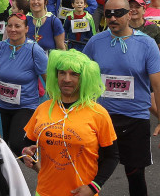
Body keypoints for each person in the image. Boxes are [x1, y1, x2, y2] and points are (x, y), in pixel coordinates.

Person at [82, 0, 160, 196]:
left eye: (118, 13)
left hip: (135, 119)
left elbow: (159, 86)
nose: (113, 18)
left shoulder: (147, 44)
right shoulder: (96, 41)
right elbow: (81, 76)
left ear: (130, 14)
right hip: (101, 118)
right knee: (90, 174)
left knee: (135, 175)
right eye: (108, 14)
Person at [21, 50, 119, 196]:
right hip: (44, 192)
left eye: (74, 74)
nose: (67, 79)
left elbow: (112, 156)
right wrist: (26, 154)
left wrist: (93, 187)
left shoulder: (98, 113)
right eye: (62, 73)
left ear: (85, 78)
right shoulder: (43, 108)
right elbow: (27, 144)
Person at [0, 12, 47, 154]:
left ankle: (42, 172)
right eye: (10, 26)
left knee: (18, 144)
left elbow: (48, 79)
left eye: (17, 26)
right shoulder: (0, 47)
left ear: (26, 29)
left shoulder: (35, 50)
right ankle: (4, 174)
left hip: (25, 106)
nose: (13, 29)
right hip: (1, 104)